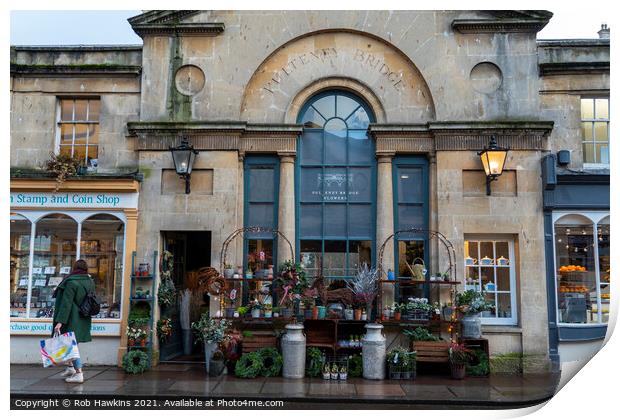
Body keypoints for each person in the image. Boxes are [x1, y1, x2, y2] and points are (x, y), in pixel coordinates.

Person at [52, 259, 95, 383]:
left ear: (74, 268)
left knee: (71, 346)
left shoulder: (71, 282)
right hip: (84, 317)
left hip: (71, 318)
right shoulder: (90, 281)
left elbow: (66, 303)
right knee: (73, 344)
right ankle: (71, 368)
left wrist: (60, 322)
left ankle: (79, 374)